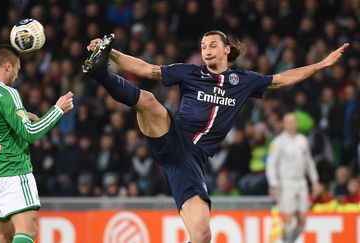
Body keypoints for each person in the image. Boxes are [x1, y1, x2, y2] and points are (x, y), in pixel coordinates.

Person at [83, 32, 348, 243]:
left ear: (226, 50)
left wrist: (321, 65)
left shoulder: (244, 80)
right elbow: (145, 69)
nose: (206, 50)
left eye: (212, 45)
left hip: (190, 162)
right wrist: (111, 53)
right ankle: (100, 73)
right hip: (171, 135)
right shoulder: (189, 72)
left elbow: (283, 79)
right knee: (149, 101)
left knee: (202, 235)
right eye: (202, 46)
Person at [0, 45, 73, 243]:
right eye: (17, 69)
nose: (16, 75)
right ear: (7, 66)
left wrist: (23, 115)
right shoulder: (7, 94)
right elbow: (30, 134)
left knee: (0, 235)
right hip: (12, 171)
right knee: (27, 231)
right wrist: (58, 109)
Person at [266, 112, 319, 243]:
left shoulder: (303, 140)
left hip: (301, 182)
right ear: (284, 124)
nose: (290, 124)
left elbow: (309, 162)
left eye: (293, 122)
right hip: (286, 183)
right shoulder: (278, 142)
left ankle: (288, 241)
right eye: (288, 122)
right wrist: (273, 183)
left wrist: (315, 181)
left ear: (296, 123)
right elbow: (271, 164)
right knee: (288, 219)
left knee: (303, 220)